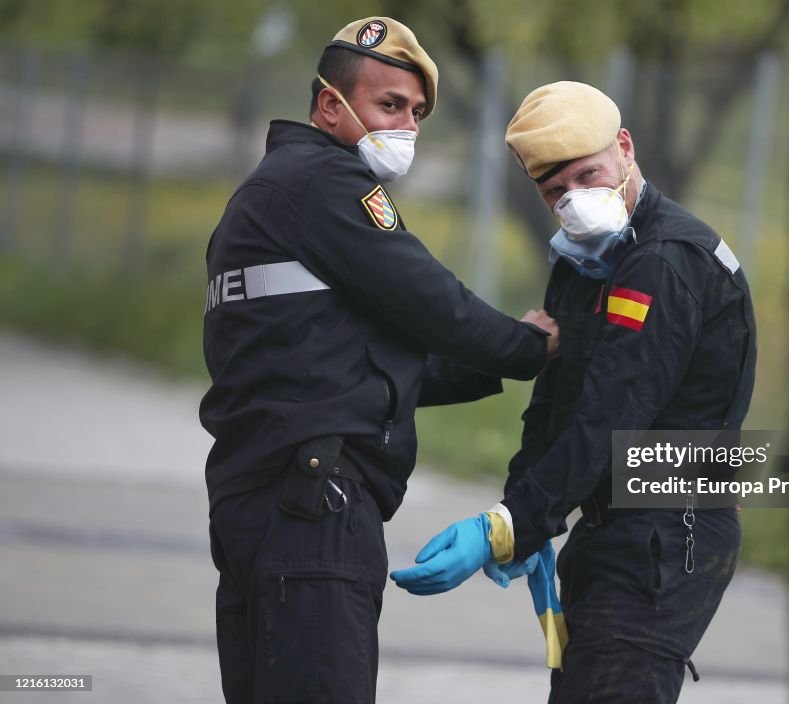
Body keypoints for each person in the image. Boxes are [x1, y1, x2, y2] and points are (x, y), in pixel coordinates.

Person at [200, 17, 559, 704]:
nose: (408, 127)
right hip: (315, 513)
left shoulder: (264, 197)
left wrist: (491, 368)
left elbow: (351, 365)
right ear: (329, 105)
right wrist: (527, 347)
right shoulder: (327, 184)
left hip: (262, 504)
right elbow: (431, 301)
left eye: (417, 113)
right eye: (389, 105)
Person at [391, 81, 757, 703]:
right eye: (556, 191)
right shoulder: (588, 257)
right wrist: (523, 513)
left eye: (589, 175)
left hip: (671, 534)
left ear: (625, 147)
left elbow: (613, 413)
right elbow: (557, 404)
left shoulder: (664, 263)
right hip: (614, 530)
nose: (576, 200)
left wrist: (510, 524)